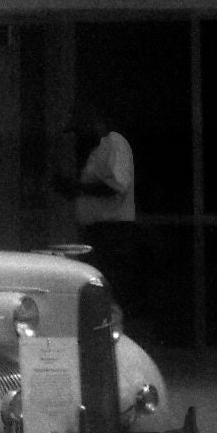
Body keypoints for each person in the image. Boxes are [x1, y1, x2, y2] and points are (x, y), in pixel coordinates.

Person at [54, 99, 138, 315]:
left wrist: (79, 188)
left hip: (112, 233)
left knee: (108, 288)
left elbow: (116, 187)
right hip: (98, 232)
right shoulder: (99, 149)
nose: (78, 135)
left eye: (80, 127)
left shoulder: (114, 143)